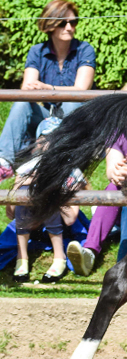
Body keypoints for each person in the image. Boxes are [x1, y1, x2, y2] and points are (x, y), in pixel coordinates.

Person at [66, 80, 127, 277]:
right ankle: (89, 252)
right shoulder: (117, 133)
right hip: (123, 198)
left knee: (122, 188)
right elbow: (112, 167)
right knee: (112, 186)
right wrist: (118, 172)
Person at [0, 0, 95, 181]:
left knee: (72, 101)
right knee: (21, 102)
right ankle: (4, 162)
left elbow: (81, 89)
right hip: (45, 115)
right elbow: (27, 87)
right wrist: (36, 88)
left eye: (73, 22)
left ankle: (61, 161)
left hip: (73, 118)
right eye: (63, 22)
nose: (69, 27)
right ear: (50, 24)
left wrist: (47, 88)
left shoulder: (85, 50)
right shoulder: (37, 51)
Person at [7, 121, 85, 283]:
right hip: (32, 224)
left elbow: (71, 219)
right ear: (37, 143)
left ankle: (59, 258)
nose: (50, 143)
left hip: (62, 225)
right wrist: (21, 184)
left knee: (49, 193)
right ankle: (22, 259)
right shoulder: (27, 168)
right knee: (25, 191)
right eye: (45, 138)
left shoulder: (71, 171)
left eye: (56, 137)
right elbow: (10, 213)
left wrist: (53, 188)